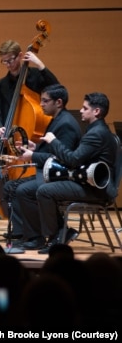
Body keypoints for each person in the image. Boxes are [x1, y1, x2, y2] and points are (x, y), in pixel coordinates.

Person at [19, 92, 118, 254]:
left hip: (95, 189)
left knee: (44, 190)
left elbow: (72, 160)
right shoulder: (96, 130)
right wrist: (36, 149)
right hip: (86, 182)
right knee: (31, 189)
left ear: (96, 112)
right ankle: (51, 235)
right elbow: (75, 157)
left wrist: (53, 141)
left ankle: (56, 238)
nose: (80, 110)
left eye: (85, 108)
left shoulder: (96, 134)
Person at [0, 84, 82, 245]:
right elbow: (53, 150)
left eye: (45, 101)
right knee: (10, 186)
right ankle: (24, 233)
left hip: (61, 176)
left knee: (23, 190)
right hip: (48, 173)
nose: (41, 104)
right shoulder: (57, 120)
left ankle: (39, 237)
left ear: (58, 102)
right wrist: (34, 147)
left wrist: (33, 155)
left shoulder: (66, 124)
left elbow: (63, 158)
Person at [0, 40, 60, 139]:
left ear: (20, 55)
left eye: (11, 60)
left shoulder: (37, 76)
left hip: (34, 135)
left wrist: (40, 65)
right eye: (4, 61)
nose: (8, 64)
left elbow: (57, 88)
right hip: (11, 137)